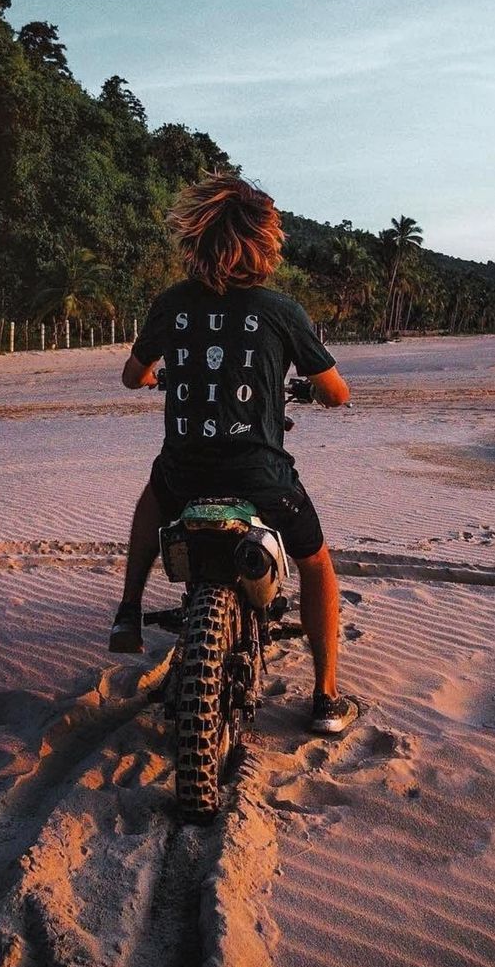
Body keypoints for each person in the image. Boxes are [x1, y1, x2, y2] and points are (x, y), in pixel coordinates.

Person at [109, 174, 357, 734]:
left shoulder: (171, 304)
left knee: (152, 500)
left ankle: (129, 608)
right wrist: (311, 388)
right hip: (260, 476)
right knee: (317, 561)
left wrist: (157, 375)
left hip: (184, 474)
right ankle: (325, 697)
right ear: (264, 244)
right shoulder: (281, 311)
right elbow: (337, 392)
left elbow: (133, 376)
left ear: (197, 241)